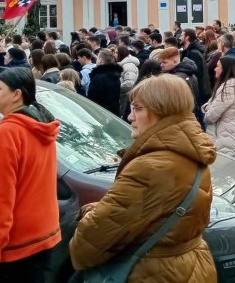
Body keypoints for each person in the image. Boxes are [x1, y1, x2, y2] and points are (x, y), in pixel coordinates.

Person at [69, 75, 217, 282]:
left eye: (138, 109)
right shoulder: (189, 151)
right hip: (190, 266)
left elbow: (89, 244)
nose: (130, 117)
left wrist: (87, 220)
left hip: (152, 272)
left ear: (161, 111)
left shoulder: (151, 166)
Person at [0, 68, 61, 283]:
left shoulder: (8, 134)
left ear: (16, 94)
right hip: (41, 238)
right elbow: (26, 168)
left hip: (12, 249)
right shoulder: (39, 125)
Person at [203, 56, 235, 160]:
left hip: (223, 142)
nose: (214, 69)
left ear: (225, 70)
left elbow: (210, 117)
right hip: (227, 138)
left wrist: (208, 108)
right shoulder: (232, 85)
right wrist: (208, 107)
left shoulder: (228, 88)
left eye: (217, 66)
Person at [87, 49, 123, 116]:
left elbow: (92, 97)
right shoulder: (115, 76)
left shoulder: (98, 77)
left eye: (97, 58)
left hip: (100, 113)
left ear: (100, 60)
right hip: (113, 111)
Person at [117, 45, 140, 115]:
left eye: (116, 52)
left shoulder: (128, 66)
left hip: (126, 96)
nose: (114, 54)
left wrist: (117, 88)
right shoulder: (122, 64)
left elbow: (129, 83)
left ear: (120, 54)